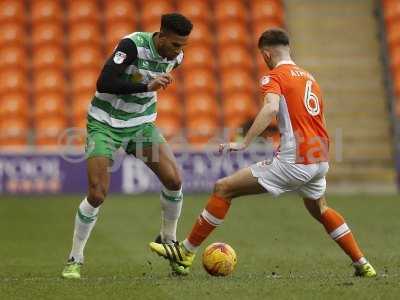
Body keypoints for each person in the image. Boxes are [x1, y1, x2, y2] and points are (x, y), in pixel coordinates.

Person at [149, 28, 377, 277]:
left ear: (266, 54)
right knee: (321, 209)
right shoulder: (310, 78)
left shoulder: (274, 76)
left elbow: (270, 109)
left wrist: (244, 143)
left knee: (223, 188)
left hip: (295, 159)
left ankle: (185, 252)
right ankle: (362, 263)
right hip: (319, 155)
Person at [61, 13, 193, 279]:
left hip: (141, 126)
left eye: (184, 45)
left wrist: (149, 89)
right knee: (97, 194)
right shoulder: (132, 46)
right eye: (176, 44)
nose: (179, 51)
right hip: (104, 124)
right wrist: (147, 85)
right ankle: (75, 259)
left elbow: (155, 81)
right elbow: (105, 82)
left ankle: (168, 243)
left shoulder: (175, 58)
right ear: (162, 36)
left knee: (174, 180)